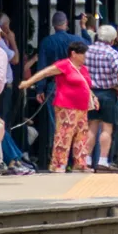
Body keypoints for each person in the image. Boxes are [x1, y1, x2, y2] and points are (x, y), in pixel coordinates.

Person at [19, 42, 94, 173]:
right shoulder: (64, 65)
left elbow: (86, 85)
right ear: (74, 54)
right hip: (67, 105)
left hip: (81, 107)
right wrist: (28, 82)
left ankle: (80, 163)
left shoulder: (83, 68)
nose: (85, 57)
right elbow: (44, 73)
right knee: (64, 134)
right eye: (83, 54)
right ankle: (58, 164)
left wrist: (93, 98)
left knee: (81, 136)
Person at [36, 12, 87, 152]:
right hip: (75, 85)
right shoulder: (77, 41)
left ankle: (58, 156)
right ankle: (74, 156)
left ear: (53, 25)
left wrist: (40, 89)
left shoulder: (46, 42)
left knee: (57, 122)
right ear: (66, 24)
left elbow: (43, 67)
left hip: (55, 85)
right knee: (75, 120)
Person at [85, 25, 118, 173]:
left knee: (91, 127)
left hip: (91, 93)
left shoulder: (87, 50)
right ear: (112, 39)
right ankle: (103, 160)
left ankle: (87, 159)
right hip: (108, 93)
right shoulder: (112, 52)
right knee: (107, 128)